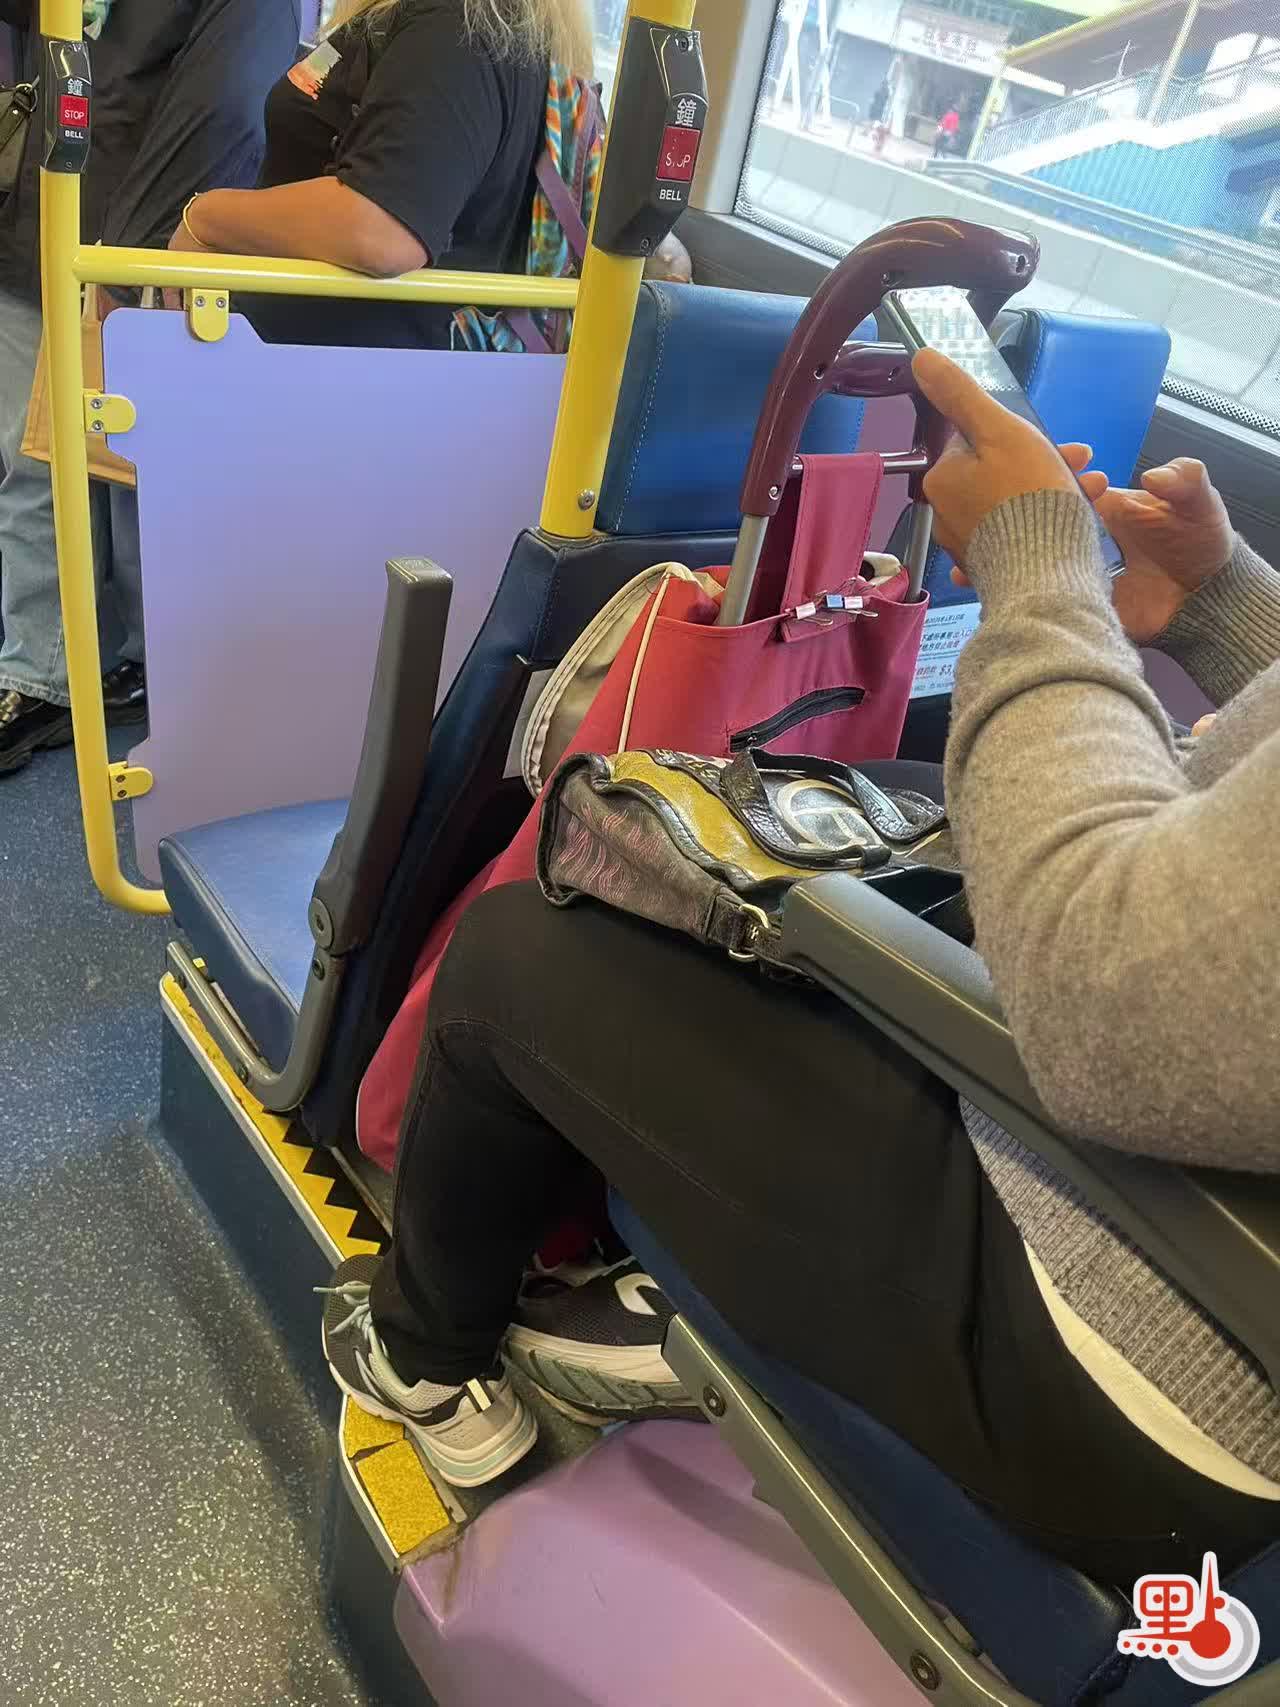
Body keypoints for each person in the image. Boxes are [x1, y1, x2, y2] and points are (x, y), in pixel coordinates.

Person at [314, 345, 1280, 1582]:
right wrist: (1226, 606)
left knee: (508, 959)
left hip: (1135, 1336)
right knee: (878, 807)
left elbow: (1109, 1013)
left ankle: (421, 1361)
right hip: (1176, 1186)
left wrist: (1037, 575)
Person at [0, 0, 300, 777]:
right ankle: (51, 666)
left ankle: (134, 667)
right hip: (51, 221)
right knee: (40, 466)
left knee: (125, 481)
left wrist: (132, 257)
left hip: (130, 240)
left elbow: (221, 106)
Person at [168, 0, 594, 352]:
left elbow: (381, 227)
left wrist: (206, 218)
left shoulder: (453, 27)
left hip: (337, 380)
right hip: (348, 371)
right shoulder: (495, 29)